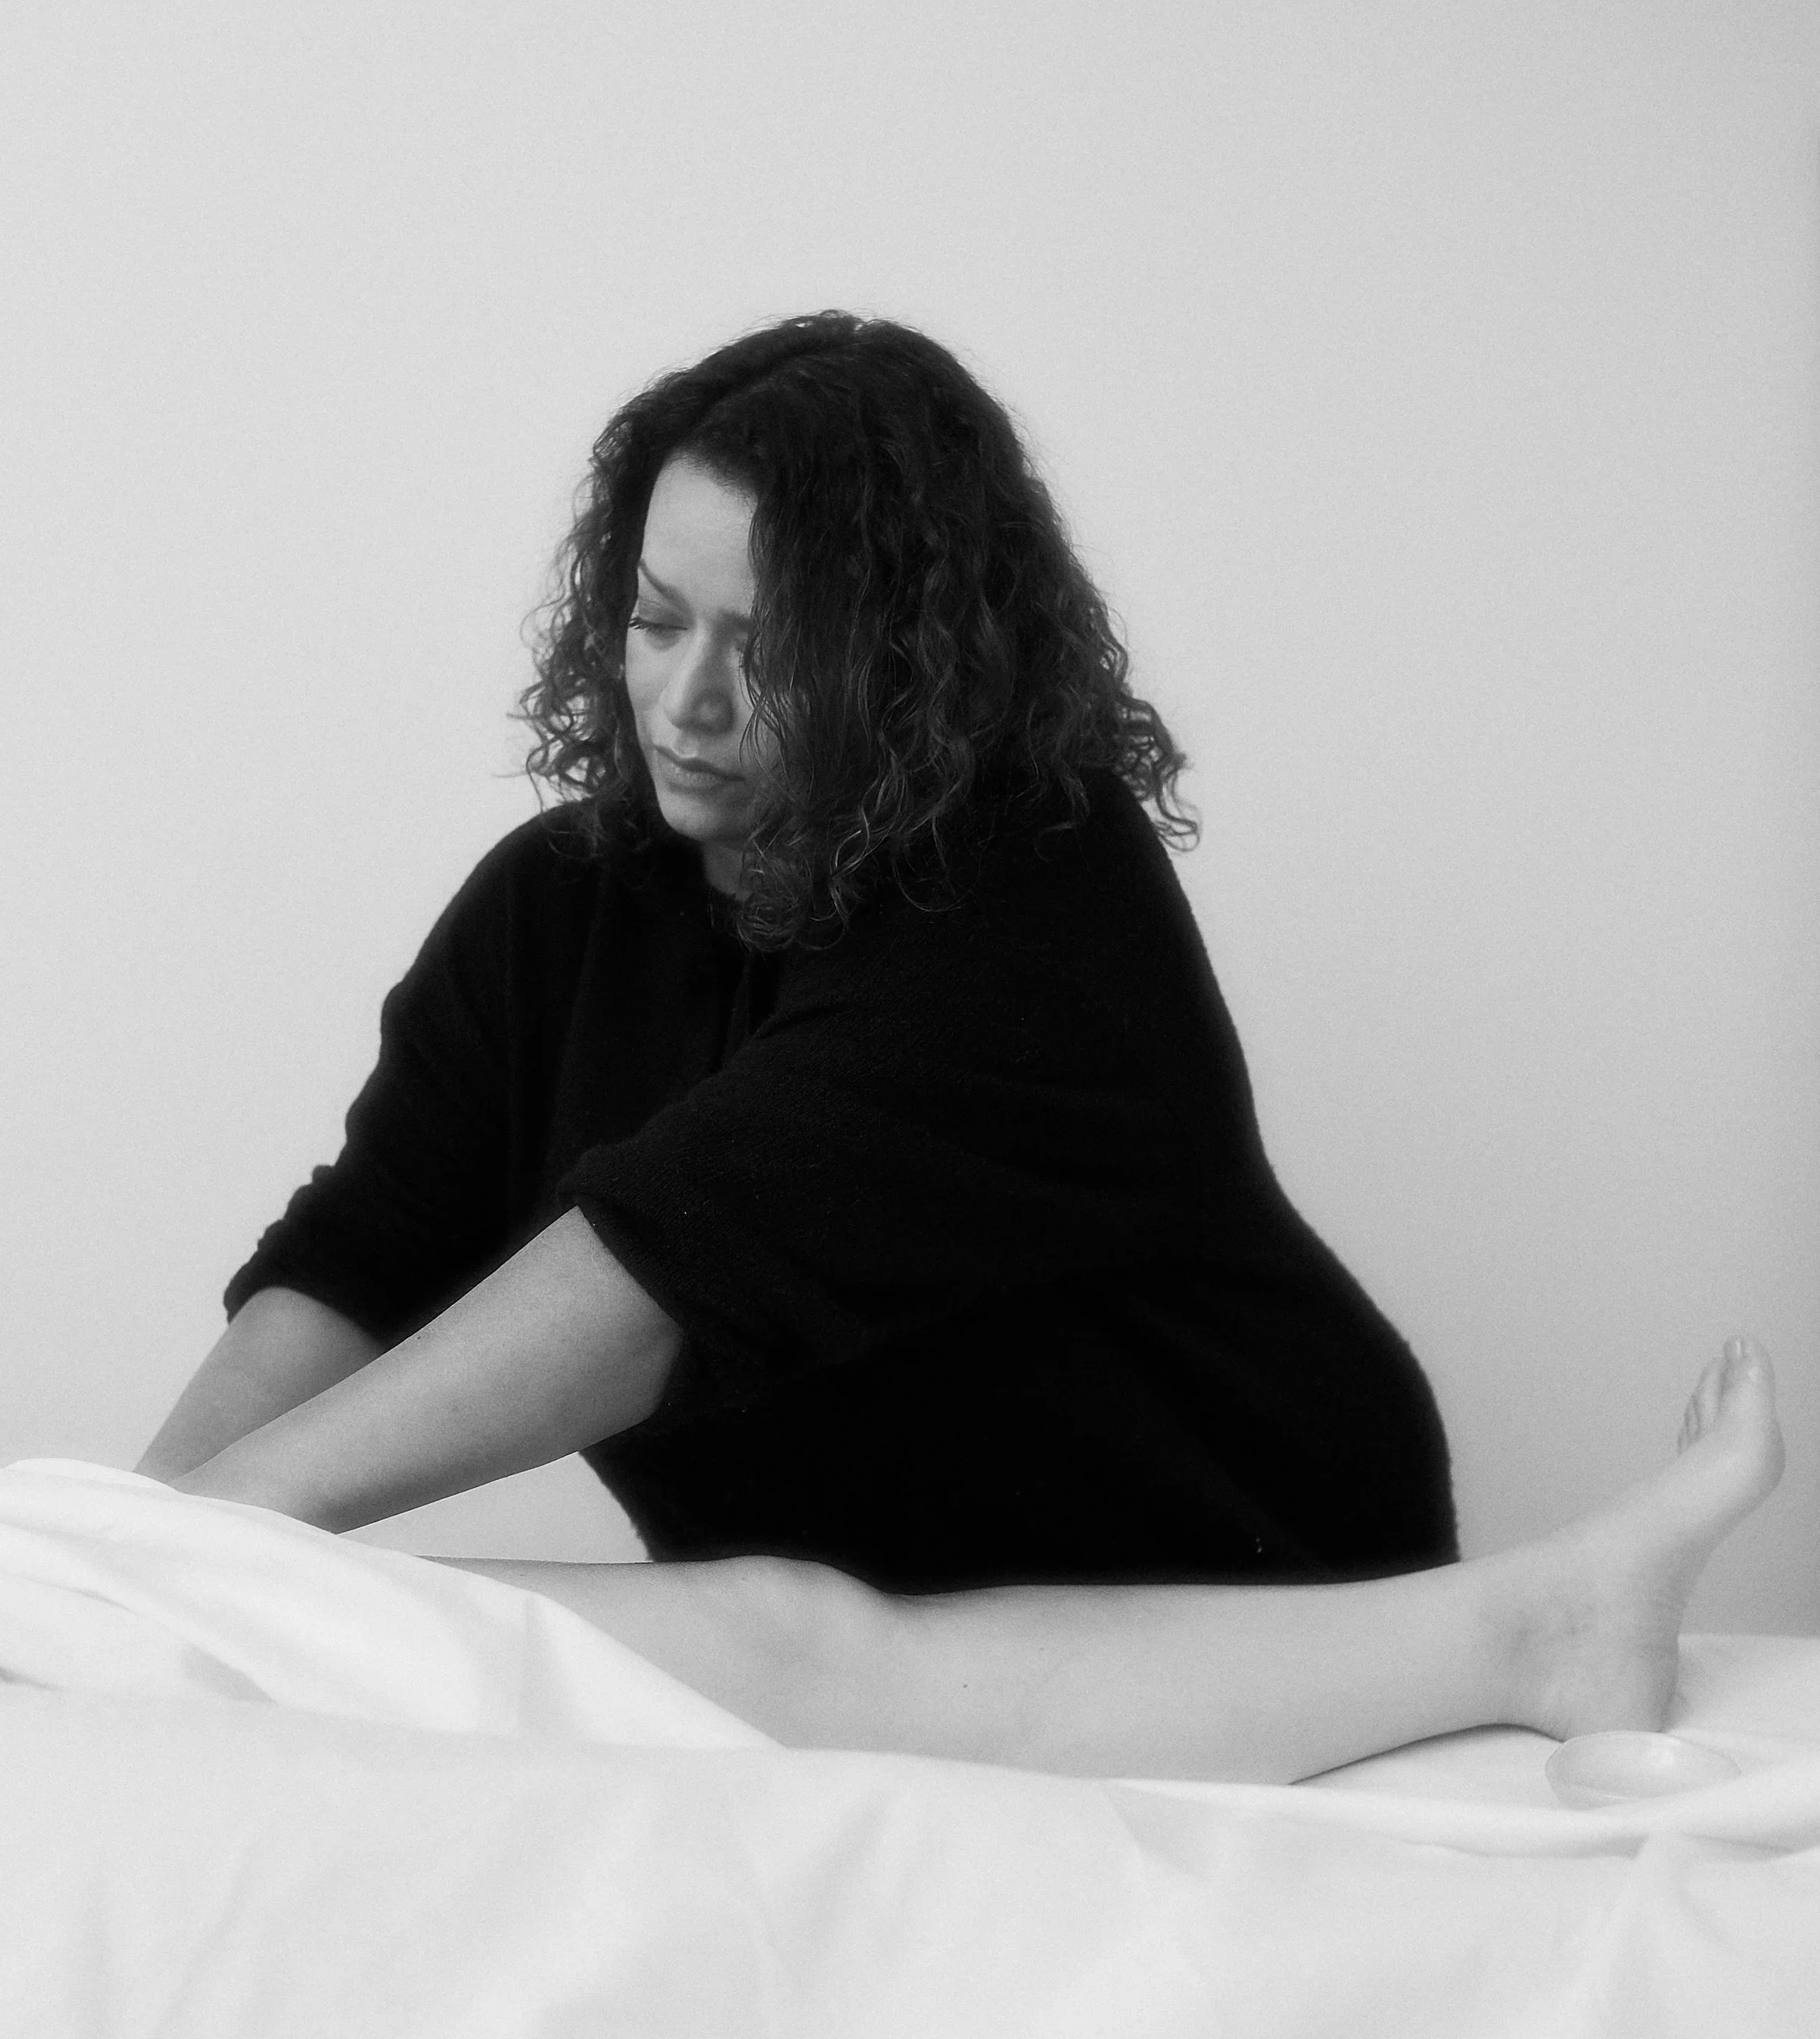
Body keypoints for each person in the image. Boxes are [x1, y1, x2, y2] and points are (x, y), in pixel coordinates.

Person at [135, 311, 1782, 1784]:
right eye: (655, 619)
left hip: (1238, 1574)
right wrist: (106, 1544)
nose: (684, 701)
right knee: (385, 1619)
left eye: (765, 649)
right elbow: (362, 1254)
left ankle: (1528, 1632)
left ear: (907, 668)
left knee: (489, 1626)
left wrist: (200, 1553)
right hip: (869, 1612)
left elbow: (667, 1273)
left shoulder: (1040, 893)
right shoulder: (553, 912)